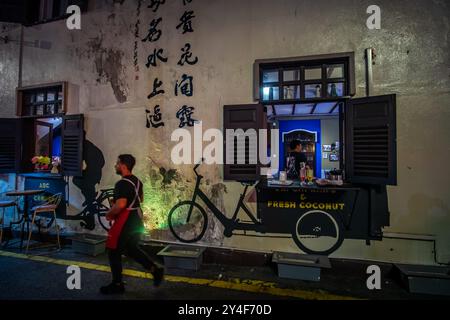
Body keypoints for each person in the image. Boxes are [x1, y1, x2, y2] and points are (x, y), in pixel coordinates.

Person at [100, 154, 164, 295]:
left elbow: (121, 204)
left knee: (113, 250)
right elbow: (139, 198)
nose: (115, 166)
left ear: (123, 165)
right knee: (131, 249)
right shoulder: (137, 181)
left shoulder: (121, 184)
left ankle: (117, 284)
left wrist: (110, 213)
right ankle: (155, 270)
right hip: (136, 218)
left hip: (126, 220)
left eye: (117, 163)